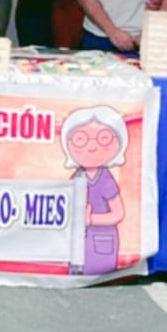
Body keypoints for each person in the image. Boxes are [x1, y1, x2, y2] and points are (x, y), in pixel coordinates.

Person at [62, 105, 128, 275]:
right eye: (80, 139)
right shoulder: (76, 176)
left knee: (94, 270)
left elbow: (118, 213)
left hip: (101, 240)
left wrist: (91, 219)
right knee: (76, 269)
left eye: (104, 138)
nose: (92, 147)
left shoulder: (105, 179)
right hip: (77, 241)